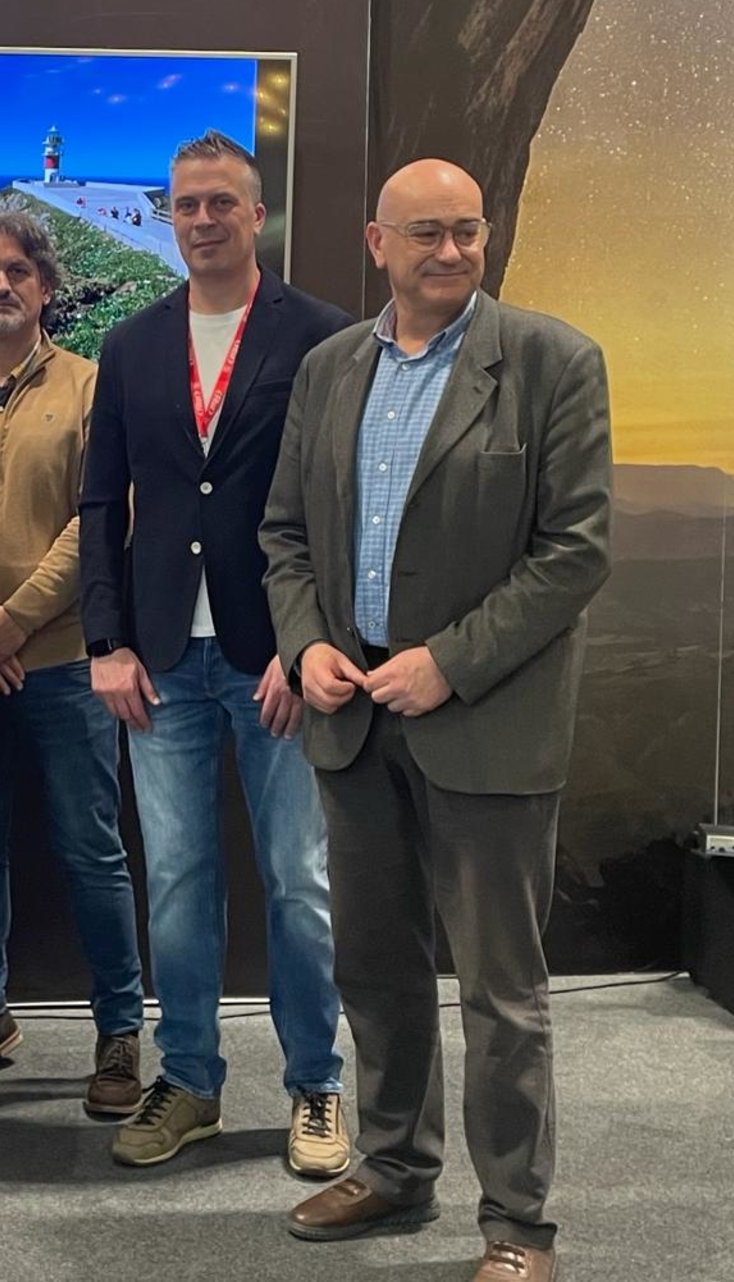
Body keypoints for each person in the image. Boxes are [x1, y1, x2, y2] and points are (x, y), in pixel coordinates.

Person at [261, 159, 611, 1282]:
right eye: (425, 233)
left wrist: (446, 666)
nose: (450, 251)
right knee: (374, 968)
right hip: (353, 721)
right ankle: (394, 1167)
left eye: (466, 230)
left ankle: (517, 1224)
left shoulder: (552, 362)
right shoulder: (329, 369)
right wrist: (306, 644)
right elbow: (284, 535)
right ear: (378, 244)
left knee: (501, 996)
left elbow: (573, 553)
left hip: (485, 723)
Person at [79, 129, 351, 1174]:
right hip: (157, 662)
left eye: (220, 203)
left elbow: (339, 506)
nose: (201, 220)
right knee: (180, 883)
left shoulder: (322, 338)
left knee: (299, 883)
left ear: (256, 216)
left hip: (274, 659)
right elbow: (100, 503)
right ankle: (189, 1081)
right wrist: (105, 640)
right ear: (169, 215)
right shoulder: (130, 345)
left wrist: (308, 641)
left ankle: (315, 1086)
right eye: (185, 204)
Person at [0, 208, 146, 1116]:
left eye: (18, 271)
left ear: (46, 286)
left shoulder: (91, 387)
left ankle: (119, 1032)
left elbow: (104, 516)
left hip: (66, 663)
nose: (1, 285)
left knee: (92, 850)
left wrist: (18, 620)